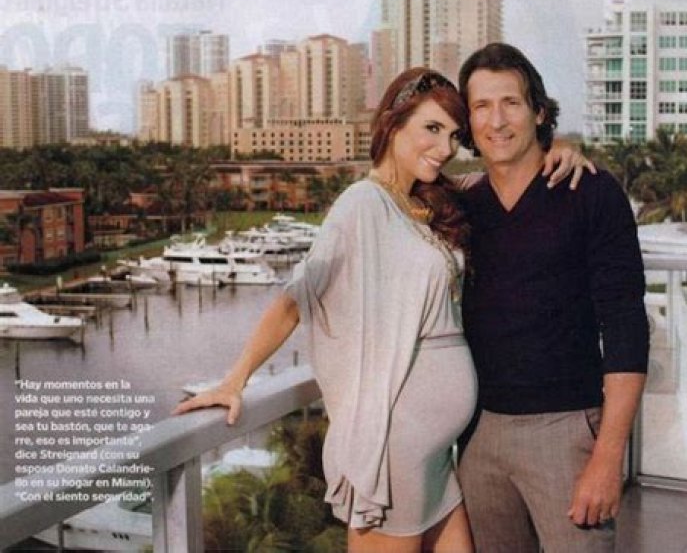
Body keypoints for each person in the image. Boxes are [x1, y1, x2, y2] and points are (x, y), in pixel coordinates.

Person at [173, 67, 588, 553]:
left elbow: (507, 175)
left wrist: (555, 150)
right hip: (398, 450)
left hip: (436, 455)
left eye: (453, 136)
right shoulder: (361, 205)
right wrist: (235, 379)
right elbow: (295, 299)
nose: (444, 147)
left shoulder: (426, 201)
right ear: (393, 124)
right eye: (431, 129)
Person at [457, 42, 649, 553]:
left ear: (539, 111)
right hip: (478, 436)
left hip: (566, 431)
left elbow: (627, 328)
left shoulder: (592, 193)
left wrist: (607, 458)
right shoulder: (463, 207)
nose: (497, 120)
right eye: (481, 106)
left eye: (511, 102)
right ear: (468, 122)